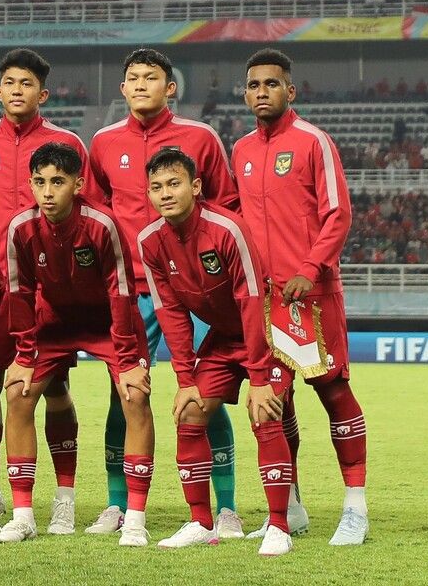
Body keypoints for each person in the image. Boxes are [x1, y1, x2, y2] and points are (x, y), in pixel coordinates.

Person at [87, 48, 243, 536]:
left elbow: (226, 206)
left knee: (201, 390)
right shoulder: (104, 142)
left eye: (150, 77)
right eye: (131, 77)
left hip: (190, 292)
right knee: (123, 395)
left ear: (169, 86)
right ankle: (118, 504)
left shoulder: (200, 138)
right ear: (122, 87)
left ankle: (226, 507)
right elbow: (95, 211)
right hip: (128, 291)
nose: (139, 85)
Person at [232, 48, 368, 545]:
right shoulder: (242, 150)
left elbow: (339, 214)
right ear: (245, 93)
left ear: (290, 90)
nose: (261, 92)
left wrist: (310, 269)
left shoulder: (313, 142)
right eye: (253, 85)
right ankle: (287, 510)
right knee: (270, 403)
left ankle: (355, 508)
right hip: (261, 300)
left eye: (271, 84)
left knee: (333, 392)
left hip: (311, 294)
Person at [0, 49, 102, 533]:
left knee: (52, 389)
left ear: (42, 93)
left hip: (47, 293)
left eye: (27, 83)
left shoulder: (65, 143)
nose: (17, 89)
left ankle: (64, 497)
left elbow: (88, 209)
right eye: (9, 82)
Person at [136, 148, 295, 556]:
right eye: (156, 187)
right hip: (223, 340)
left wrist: (260, 378)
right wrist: (185, 380)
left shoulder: (227, 229)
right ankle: (200, 521)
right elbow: (171, 313)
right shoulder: (150, 242)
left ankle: (279, 525)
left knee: (265, 411)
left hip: (265, 331)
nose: (165, 194)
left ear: (196, 186)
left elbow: (252, 300)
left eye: (174, 184)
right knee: (189, 411)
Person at [0, 143, 153, 546]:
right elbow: (20, 294)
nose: (47, 192)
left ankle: (134, 518)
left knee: (134, 397)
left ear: (78, 184)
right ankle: (24, 515)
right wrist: (25, 354)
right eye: (40, 182)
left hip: (109, 324)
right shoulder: (21, 228)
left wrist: (129, 358)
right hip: (56, 325)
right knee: (17, 393)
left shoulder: (102, 223)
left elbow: (120, 291)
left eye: (58, 182)